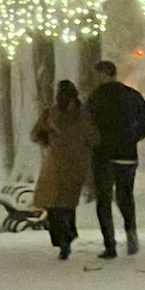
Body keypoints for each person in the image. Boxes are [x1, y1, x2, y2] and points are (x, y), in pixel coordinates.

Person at [86, 59, 145, 258]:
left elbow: (88, 126)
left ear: (102, 75)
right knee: (125, 195)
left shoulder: (95, 98)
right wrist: (132, 139)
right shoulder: (132, 96)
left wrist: (95, 144)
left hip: (104, 156)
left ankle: (110, 245)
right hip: (127, 155)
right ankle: (131, 232)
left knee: (104, 200)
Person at [31, 80, 98, 260]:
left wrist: (48, 141)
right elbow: (94, 138)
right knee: (67, 204)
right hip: (77, 165)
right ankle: (68, 235)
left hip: (55, 164)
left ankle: (62, 240)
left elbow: (35, 134)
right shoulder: (84, 115)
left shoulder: (50, 114)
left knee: (54, 205)